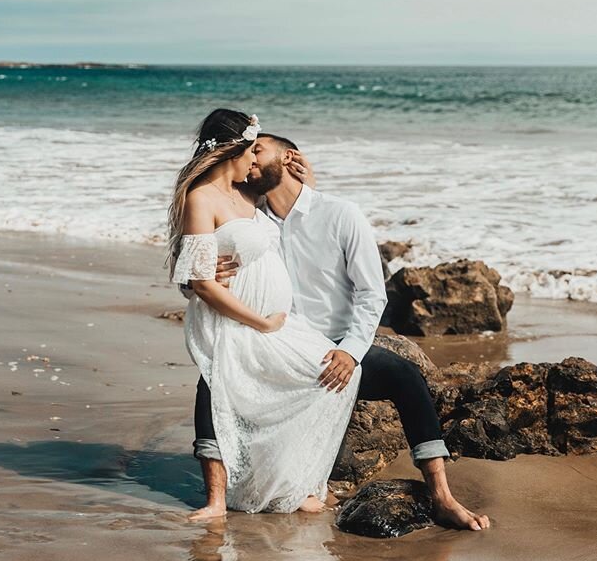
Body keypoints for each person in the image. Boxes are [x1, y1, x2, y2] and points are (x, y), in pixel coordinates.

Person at [193, 131, 490, 531]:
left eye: (257, 150)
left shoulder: (339, 214)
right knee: (214, 374)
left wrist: (350, 351)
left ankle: (442, 495)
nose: (249, 159)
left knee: (405, 376)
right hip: (275, 345)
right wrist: (198, 277)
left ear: (288, 158)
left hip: (330, 347)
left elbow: (372, 295)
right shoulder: (253, 222)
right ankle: (216, 496)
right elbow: (200, 268)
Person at [168, 109, 362, 519]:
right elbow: (201, 283)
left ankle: (287, 484)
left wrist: (306, 175)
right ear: (230, 150)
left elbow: (291, 206)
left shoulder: (246, 194)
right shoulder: (201, 198)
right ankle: (221, 500)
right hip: (235, 321)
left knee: (334, 373)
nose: (256, 162)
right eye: (252, 153)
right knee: (226, 392)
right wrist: (260, 321)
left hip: (272, 322)